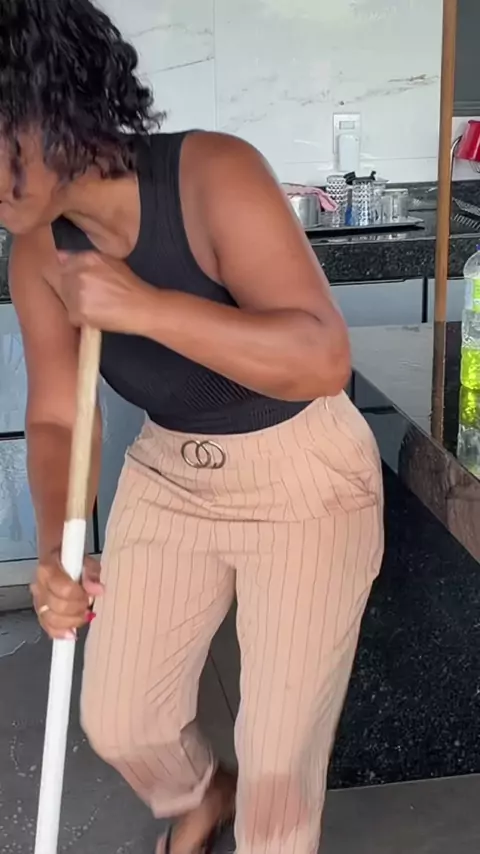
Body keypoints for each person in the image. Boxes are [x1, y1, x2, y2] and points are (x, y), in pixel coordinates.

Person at [1, 1, 384, 852]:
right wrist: (60, 552)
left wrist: (146, 307)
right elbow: (59, 414)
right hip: (170, 470)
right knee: (122, 720)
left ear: (48, 105)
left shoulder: (213, 173)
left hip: (305, 476)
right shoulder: (35, 251)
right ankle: (204, 796)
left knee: (279, 775)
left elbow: (322, 357)